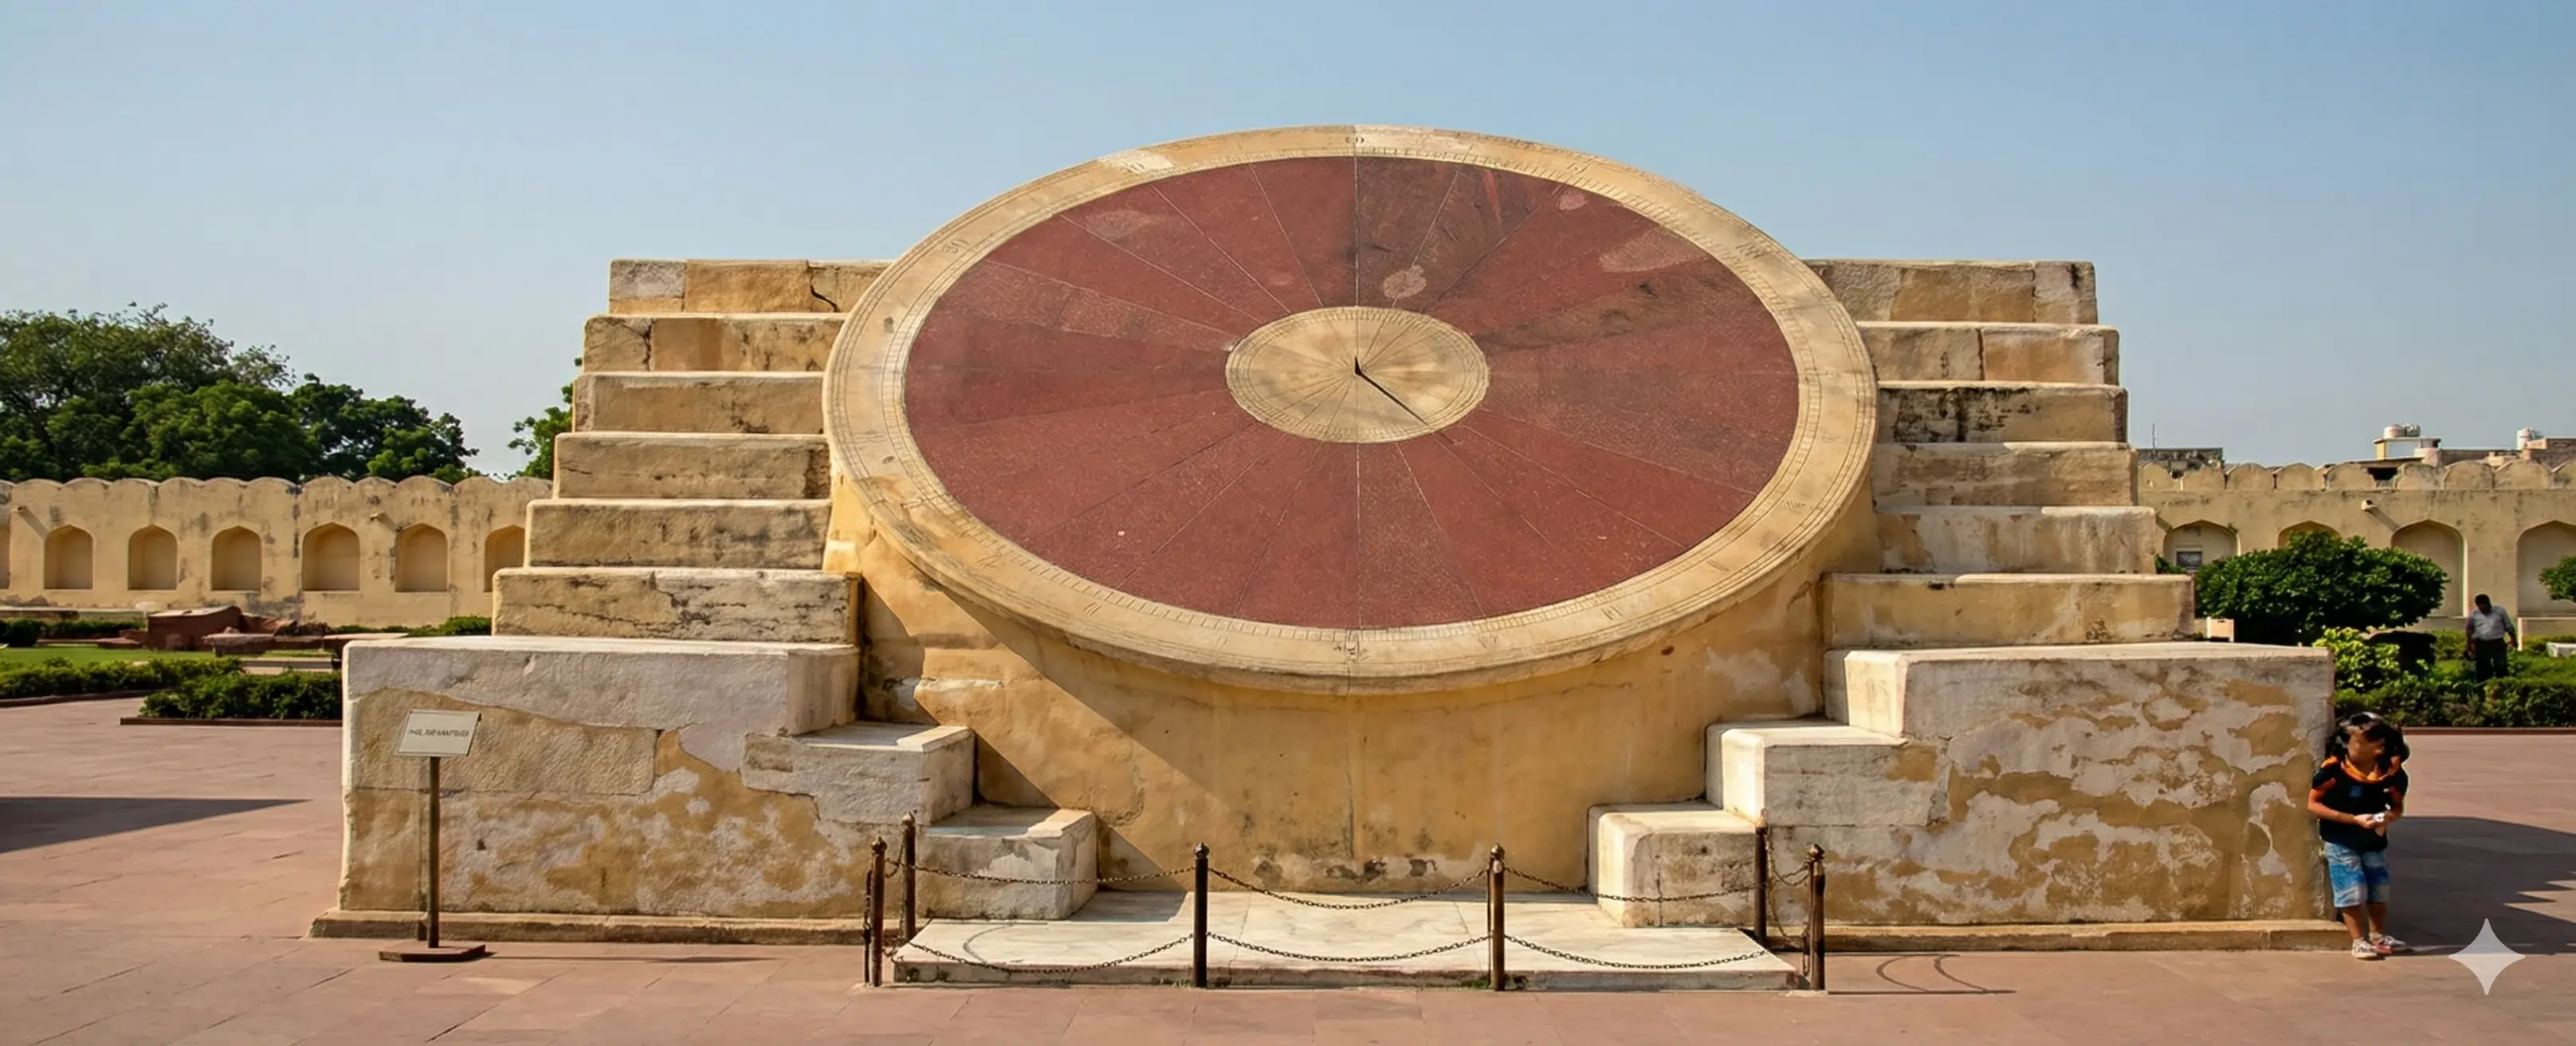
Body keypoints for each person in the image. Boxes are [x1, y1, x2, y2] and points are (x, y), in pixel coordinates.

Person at [2310, 712, 2412, 959]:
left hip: (2374, 840)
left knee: (2379, 888)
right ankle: (2358, 940)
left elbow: (2397, 806)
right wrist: (2352, 819)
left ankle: (2378, 936)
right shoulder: (2333, 772)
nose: (2374, 746)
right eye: (2362, 740)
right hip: (2341, 839)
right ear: (2346, 744)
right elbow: (2313, 805)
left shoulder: (2390, 774)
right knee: (2350, 888)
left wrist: (2388, 818)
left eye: (2376, 741)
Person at [2466, 594, 2518, 682]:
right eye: (2481, 608)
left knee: (2501, 666)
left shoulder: (2500, 611)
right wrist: (2469, 645)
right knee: (2483, 668)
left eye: (2485, 607)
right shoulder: (2474, 615)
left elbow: (2509, 626)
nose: (2484, 610)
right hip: (2482, 644)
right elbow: (2469, 630)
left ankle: (2502, 686)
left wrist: (2513, 640)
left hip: (2497, 642)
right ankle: (2483, 689)